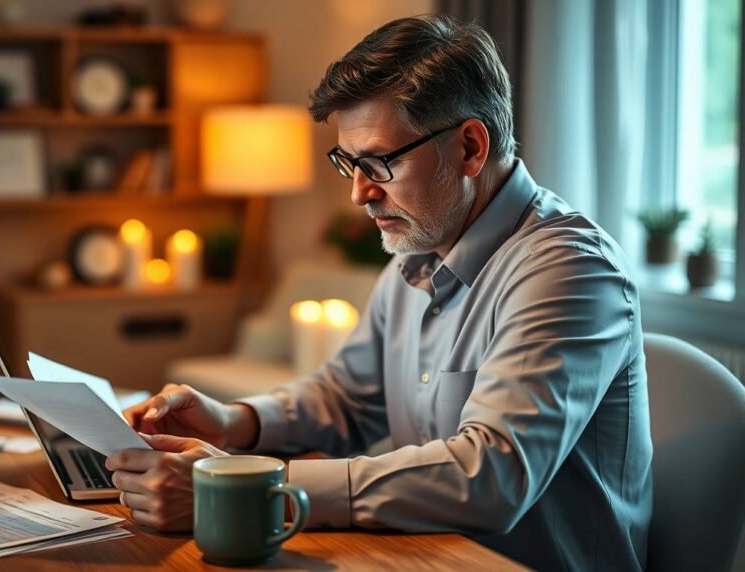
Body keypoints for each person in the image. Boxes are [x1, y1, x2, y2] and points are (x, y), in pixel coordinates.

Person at [105, 14, 652, 571]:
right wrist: (232, 422)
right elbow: (347, 398)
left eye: (379, 164)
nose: (359, 194)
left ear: (469, 147)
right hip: (425, 557)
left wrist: (254, 487)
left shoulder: (570, 271)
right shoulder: (420, 247)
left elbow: (490, 476)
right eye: (348, 162)